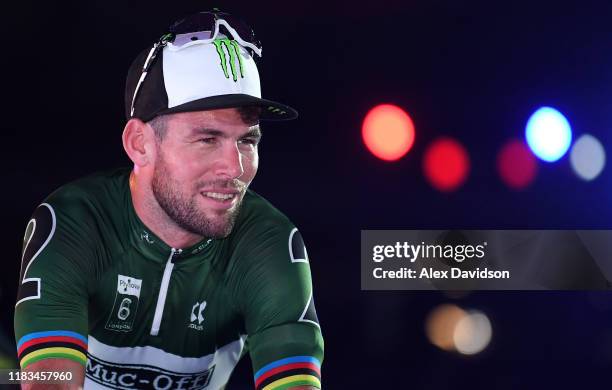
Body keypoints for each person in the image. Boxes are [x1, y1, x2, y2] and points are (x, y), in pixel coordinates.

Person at [14, 10, 323, 390]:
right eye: (207, 139)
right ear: (139, 144)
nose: (236, 167)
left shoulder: (268, 243)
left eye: (247, 140)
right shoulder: (77, 221)